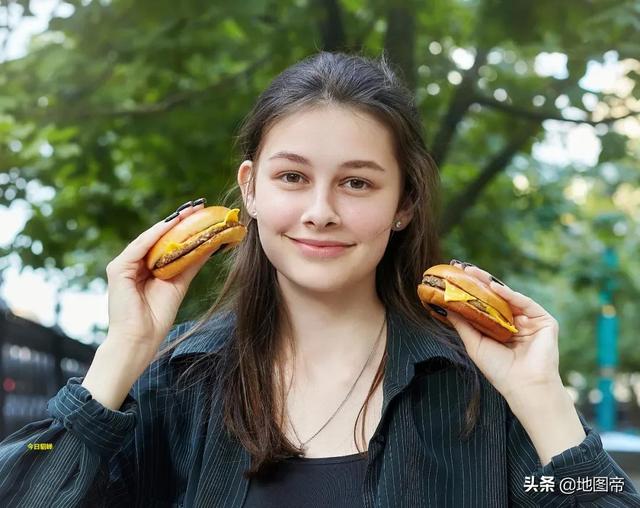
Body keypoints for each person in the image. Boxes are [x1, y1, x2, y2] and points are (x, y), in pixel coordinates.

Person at [0, 51, 638, 508]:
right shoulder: (172, 379)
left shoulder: (479, 388)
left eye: (357, 182)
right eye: (293, 177)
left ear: (404, 205)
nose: (320, 211)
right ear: (250, 189)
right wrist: (122, 352)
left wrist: (545, 403)